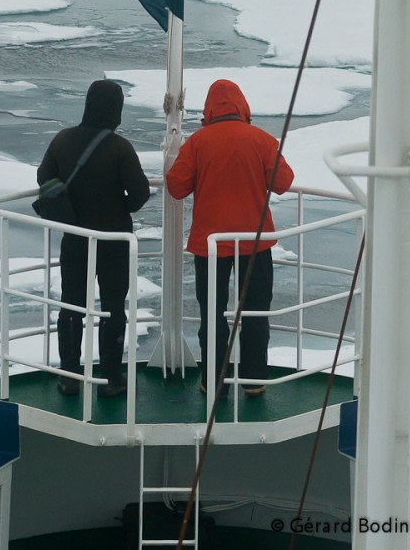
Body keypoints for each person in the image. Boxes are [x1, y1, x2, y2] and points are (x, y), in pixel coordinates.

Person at [165, 78, 294, 397]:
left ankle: (214, 381)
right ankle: (253, 381)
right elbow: (284, 182)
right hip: (255, 242)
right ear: (242, 106)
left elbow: (177, 186)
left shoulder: (198, 142)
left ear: (210, 108)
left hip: (210, 245)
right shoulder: (261, 140)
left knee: (212, 313)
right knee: (254, 310)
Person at [37, 79, 151, 397]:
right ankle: (112, 378)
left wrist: (69, 210)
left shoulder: (62, 140)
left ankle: (70, 376)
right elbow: (140, 192)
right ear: (116, 110)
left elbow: (44, 178)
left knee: (71, 305)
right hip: (114, 239)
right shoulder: (120, 148)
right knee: (113, 307)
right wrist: (120, 208)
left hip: (75, 236)